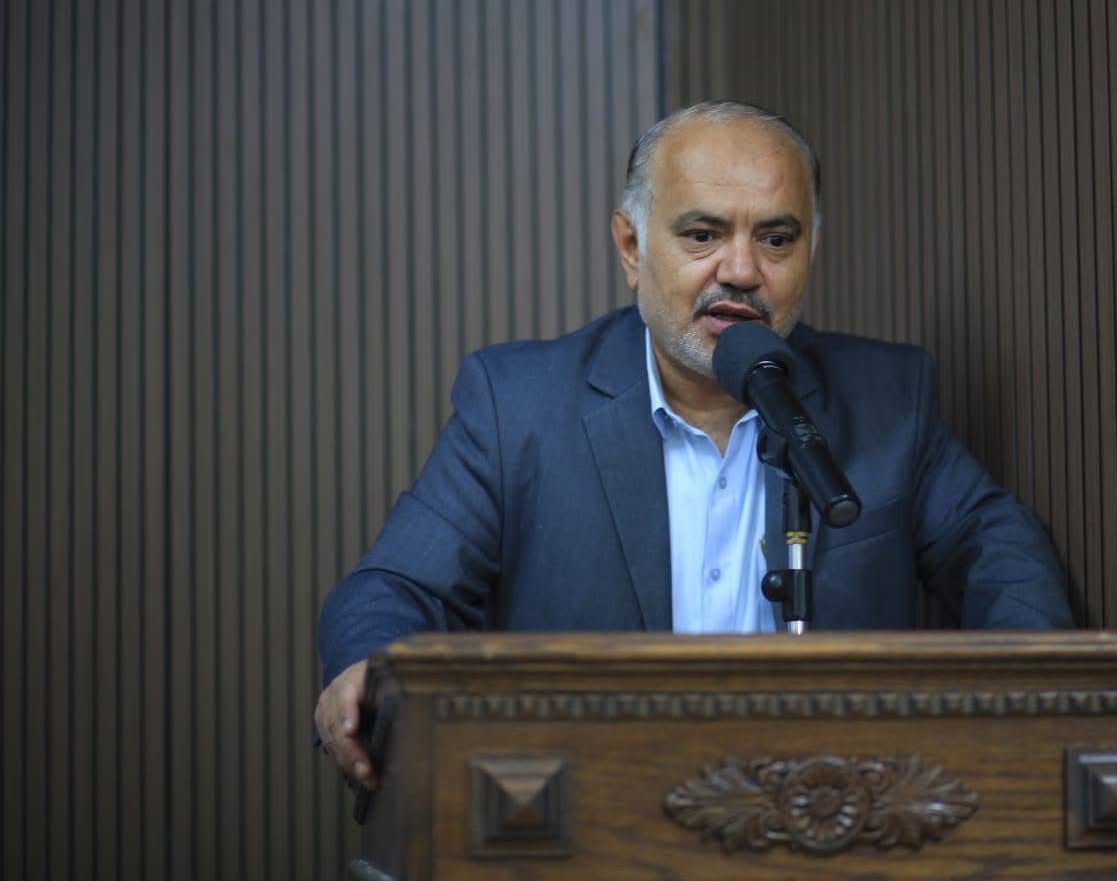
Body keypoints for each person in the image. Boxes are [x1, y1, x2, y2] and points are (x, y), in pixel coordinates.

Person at [313, 100, 1074, 790]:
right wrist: (367, 667)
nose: (741, 272)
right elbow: (395, 587)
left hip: (827, 818)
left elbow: (996, 550)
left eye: (776, 238)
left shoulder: (885, 399)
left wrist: (1034, 711)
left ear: (812, 250)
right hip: (589, 812)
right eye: (703, 235)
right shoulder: (520, 406)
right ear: (631, 247)